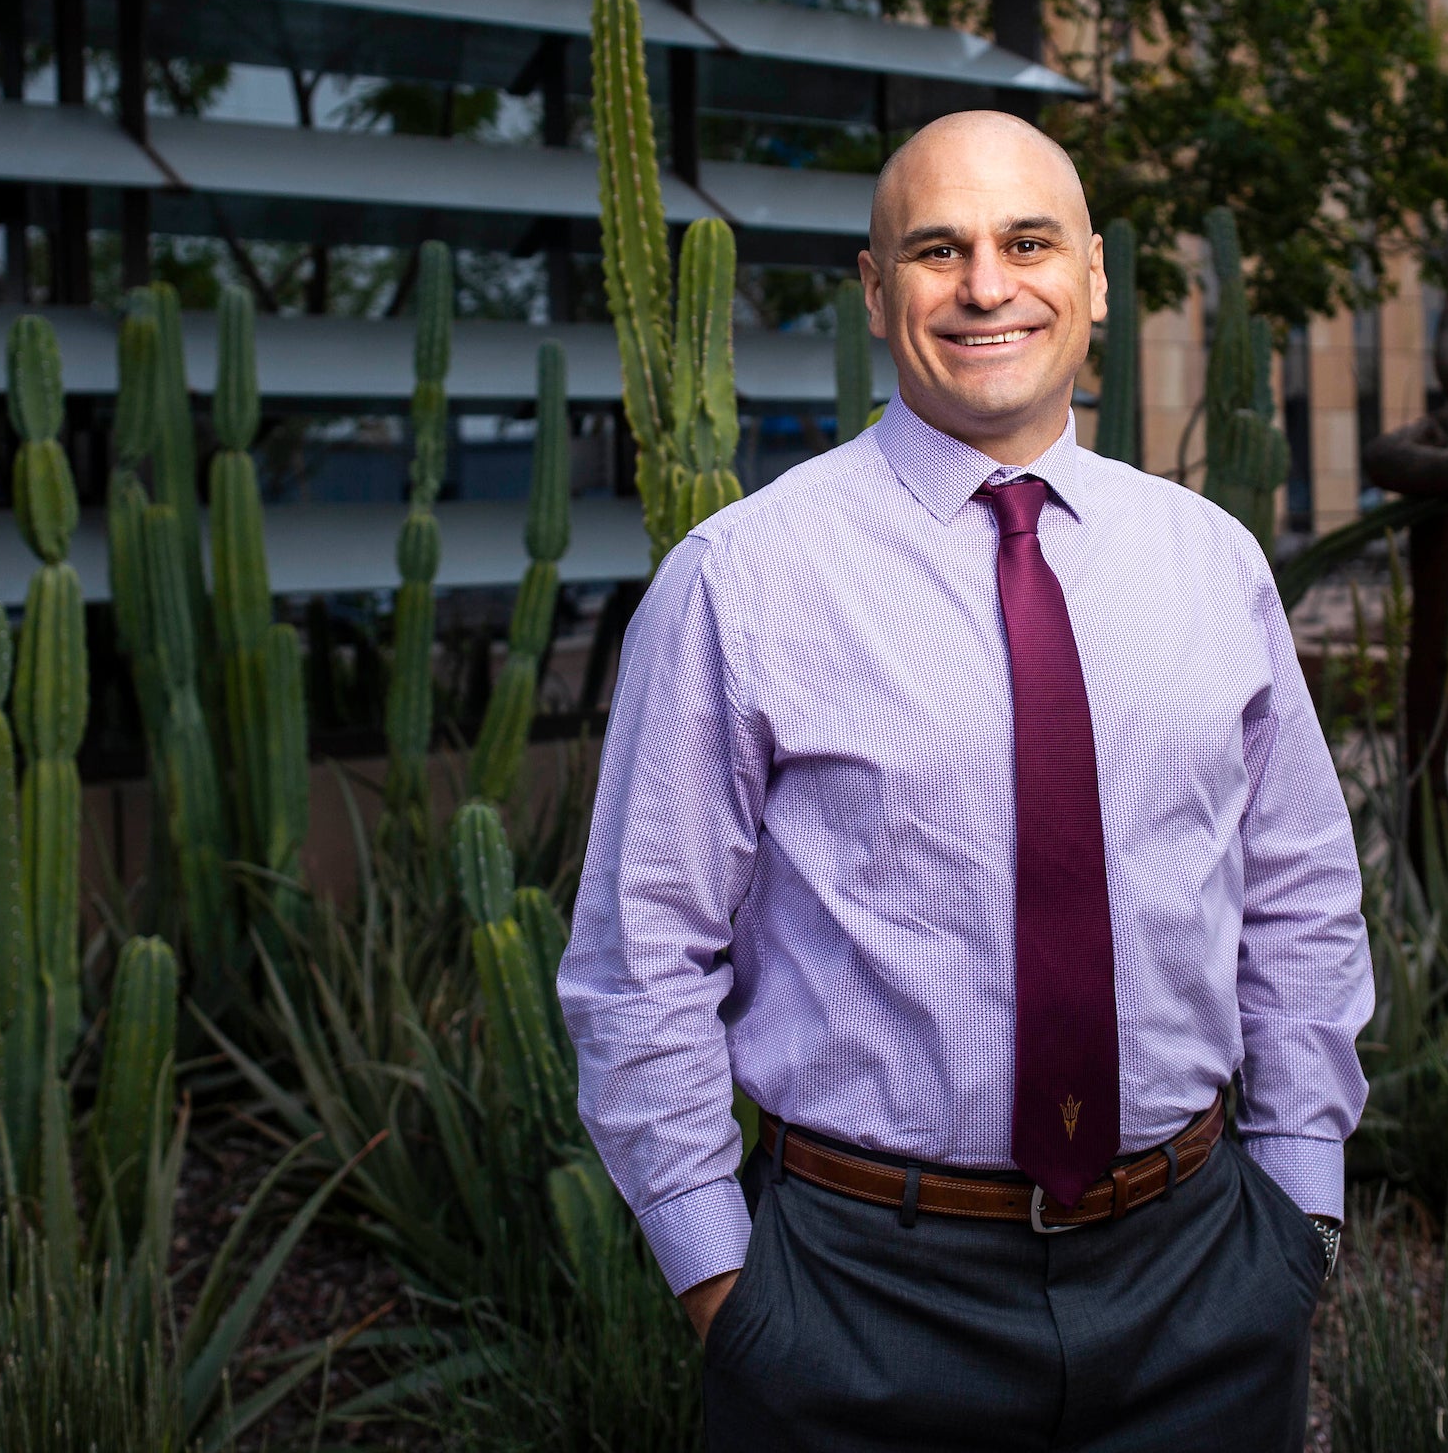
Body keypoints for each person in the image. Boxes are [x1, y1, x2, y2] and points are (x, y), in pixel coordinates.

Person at [556, 110, 1373, 1451]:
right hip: (861, 1298)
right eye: (938, 250)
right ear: (878, 294)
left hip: (1201, 1286)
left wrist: (1299, 1210)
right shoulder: (742, 583)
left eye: (1026, 242)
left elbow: (1298, 897)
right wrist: (725, 1288)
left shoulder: (1211, 564)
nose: (987, 285)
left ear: (1094, 278)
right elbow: (641, 956)